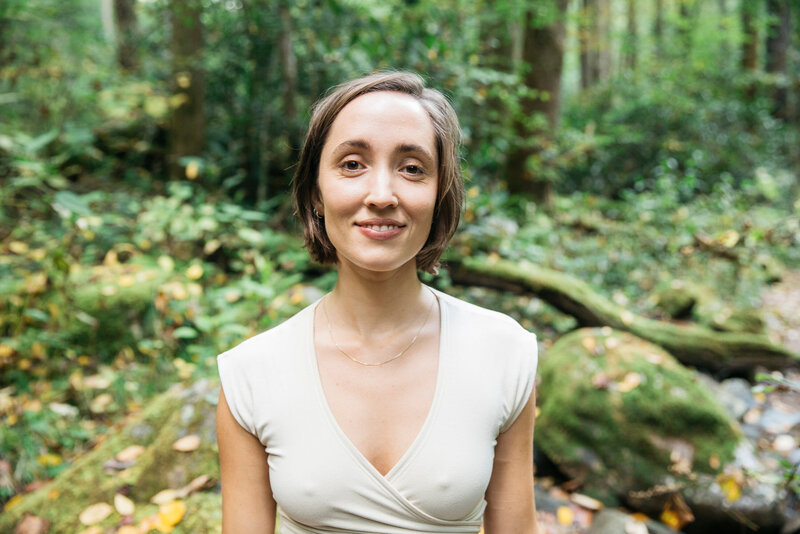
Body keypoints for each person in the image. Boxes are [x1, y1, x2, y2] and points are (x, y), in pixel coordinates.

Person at [216, 71, 539, 534]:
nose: (382, 196)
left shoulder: (504, 352)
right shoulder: (252, 374)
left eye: (412, 168)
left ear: (439, 192)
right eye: (352, 164)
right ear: (315, 193)